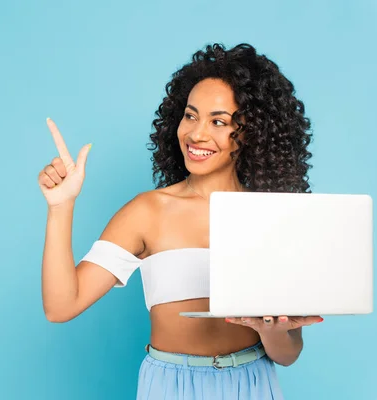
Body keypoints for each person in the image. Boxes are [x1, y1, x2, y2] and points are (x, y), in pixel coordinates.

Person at [38, 43, 323, 399]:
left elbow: (287, 354)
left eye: (218, 121)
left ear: (250, 132)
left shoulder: (271, 216)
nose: (197, 134)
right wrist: (61, 206)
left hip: (252, 383)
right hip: (171, 386)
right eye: (191, 115)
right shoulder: (147, 211)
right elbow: (62, 305)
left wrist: (271, 328)